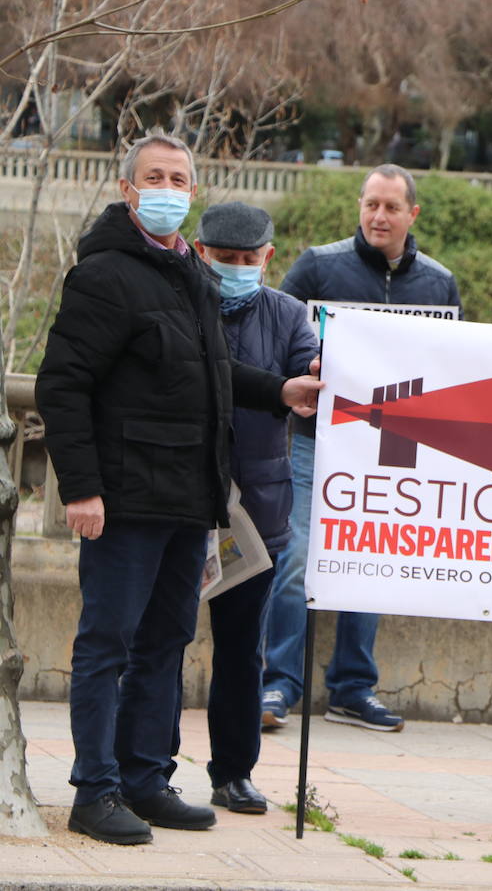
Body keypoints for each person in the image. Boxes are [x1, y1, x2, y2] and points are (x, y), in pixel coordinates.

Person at [36, 133, 323, 845]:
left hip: (189, 499)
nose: (167, 187)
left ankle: (145, 778)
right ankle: (94, 789)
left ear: (191, 192)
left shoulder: (188, 273)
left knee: (165, 642)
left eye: (179, 177)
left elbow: (216, 376)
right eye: (154, 177)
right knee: (109, 644)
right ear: (130, 190)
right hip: (126, 499)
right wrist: (81, 488)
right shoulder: (104, 275)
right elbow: (63, 385)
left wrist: (281, 390)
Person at [260, 163, 461, 733]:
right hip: (311, 439)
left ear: (412, 214)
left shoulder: (439, 282)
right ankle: (278, 683)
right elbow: (273, 333)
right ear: (359, 206)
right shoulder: (318, 266)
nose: (379, 216)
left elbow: (452, 363)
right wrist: (305, 368)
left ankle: (352, 687)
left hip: (387, 447)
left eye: (391, 207)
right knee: (295, 558)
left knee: (369, 560)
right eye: (371, 204)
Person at [190, 203, 317, 813]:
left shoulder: (292, 315)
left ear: (269, 258)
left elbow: (305, 378)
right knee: (156, 642)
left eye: (249, 260)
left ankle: (233, 771)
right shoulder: (180, 304)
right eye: (225, 260)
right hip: (182, 499)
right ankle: (147, 765)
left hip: (258, 512)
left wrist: (318, 381)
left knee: (244, 648)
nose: (237, 269)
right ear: (199, 251)